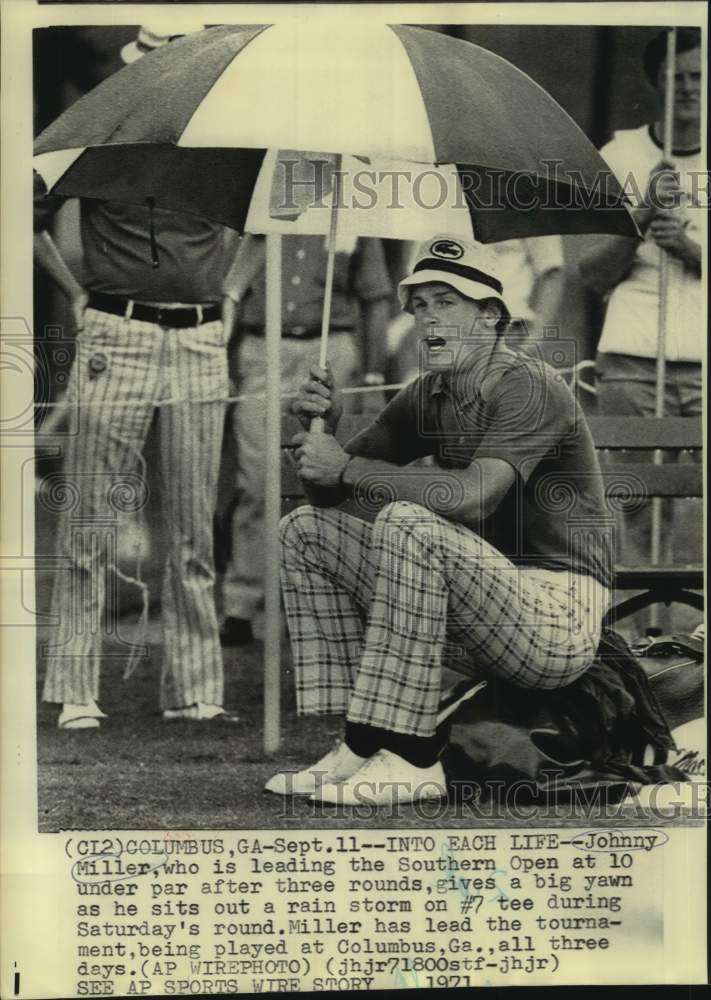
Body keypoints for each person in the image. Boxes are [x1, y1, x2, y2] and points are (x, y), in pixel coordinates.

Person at [265, 236, 613, 805]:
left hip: (559, 618)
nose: (428, 317)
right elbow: (327, 494)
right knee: (305, 532)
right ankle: (360, 743)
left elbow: (475, 496)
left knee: (408, 521)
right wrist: (325, 428)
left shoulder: (528, 384)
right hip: (483, 608)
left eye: (445, 301)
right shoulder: (429, 392)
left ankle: (413, 756)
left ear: (490, 315)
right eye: (419, 304)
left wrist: (346, 465)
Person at [36, 24, 240, 728]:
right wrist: (73, 290)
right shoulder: (97, 134)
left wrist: (235, 294)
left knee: (192, 526)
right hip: (114, 332)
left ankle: (194, 689)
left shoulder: (228, 141)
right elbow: (25, 211)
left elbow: (277, 220)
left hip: (200, 335)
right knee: (92, 515)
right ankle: (74, 688)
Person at [218, 233, 392, 645]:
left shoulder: (352, 209)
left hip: (330, 346)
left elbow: (376, 295)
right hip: (263, 347)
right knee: (256, 480)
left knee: (328, 479)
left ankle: (334, 603)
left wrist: (373, 374)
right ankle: (242, 604)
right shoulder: (258, 206)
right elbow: (229, 291)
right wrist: (224, 362)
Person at [580, 27, 703, 416]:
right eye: (675, 77)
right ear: (655, 84)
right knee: (630, 477)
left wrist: (692, 251)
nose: (688, 87)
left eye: (698, 76)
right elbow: (592, 274)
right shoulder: (619, 155)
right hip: (630, 358)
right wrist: (644, 211)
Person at [388, 236, 565, 384]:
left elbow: (551, 271)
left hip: (506, 322)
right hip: (439, 321)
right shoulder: (429, 201)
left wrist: (534, 337)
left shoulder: (527, 198)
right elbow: (410, 270)